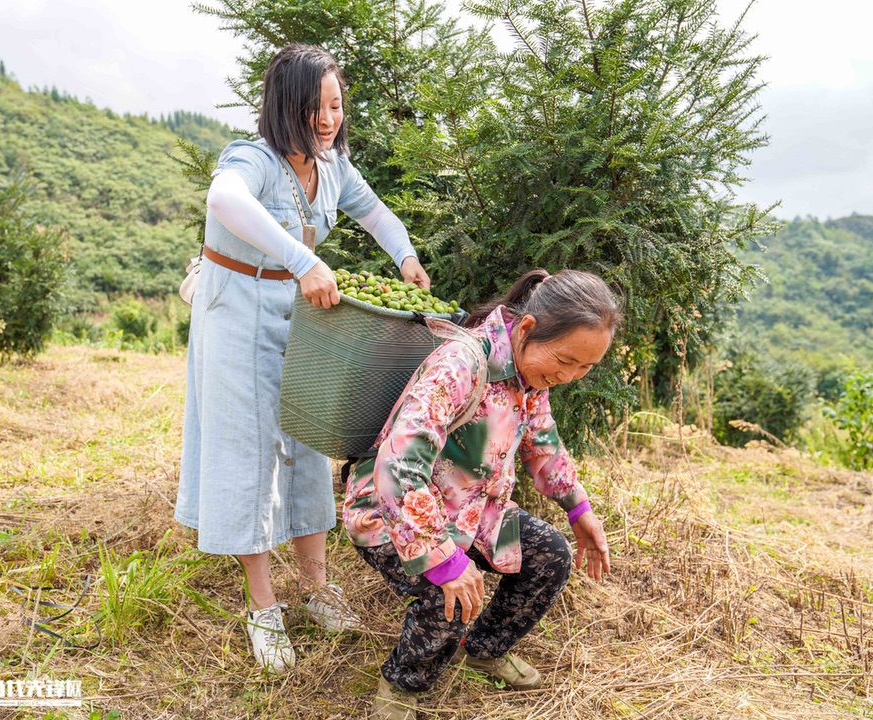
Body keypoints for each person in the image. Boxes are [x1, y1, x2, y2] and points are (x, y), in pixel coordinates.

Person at [174, 44, 431, 674]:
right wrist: (304, 260)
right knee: (249, 449)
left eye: (337, 105)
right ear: (284, 107)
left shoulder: (332, 164)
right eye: (315, 107)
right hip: (235, 309)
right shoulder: (252, 159)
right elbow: (225, 203)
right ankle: (264, 608)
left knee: (308, 436)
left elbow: (374, 212)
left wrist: (405, 256)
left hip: (299, 315)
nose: (328, 118)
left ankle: (317, 587)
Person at [342, 268, 621, 719]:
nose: (571, 376)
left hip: (469, 507)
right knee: (448, 597)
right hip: (391, 511)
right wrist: (443, 558)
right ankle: (401, 687)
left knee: (549, 554)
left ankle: (486, 649)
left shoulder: (532, 376)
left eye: (585, 368)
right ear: (527, 329)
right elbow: (399, 464)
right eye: (566, 360)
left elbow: (541, 441)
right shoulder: (462, 364)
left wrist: (579, 508)